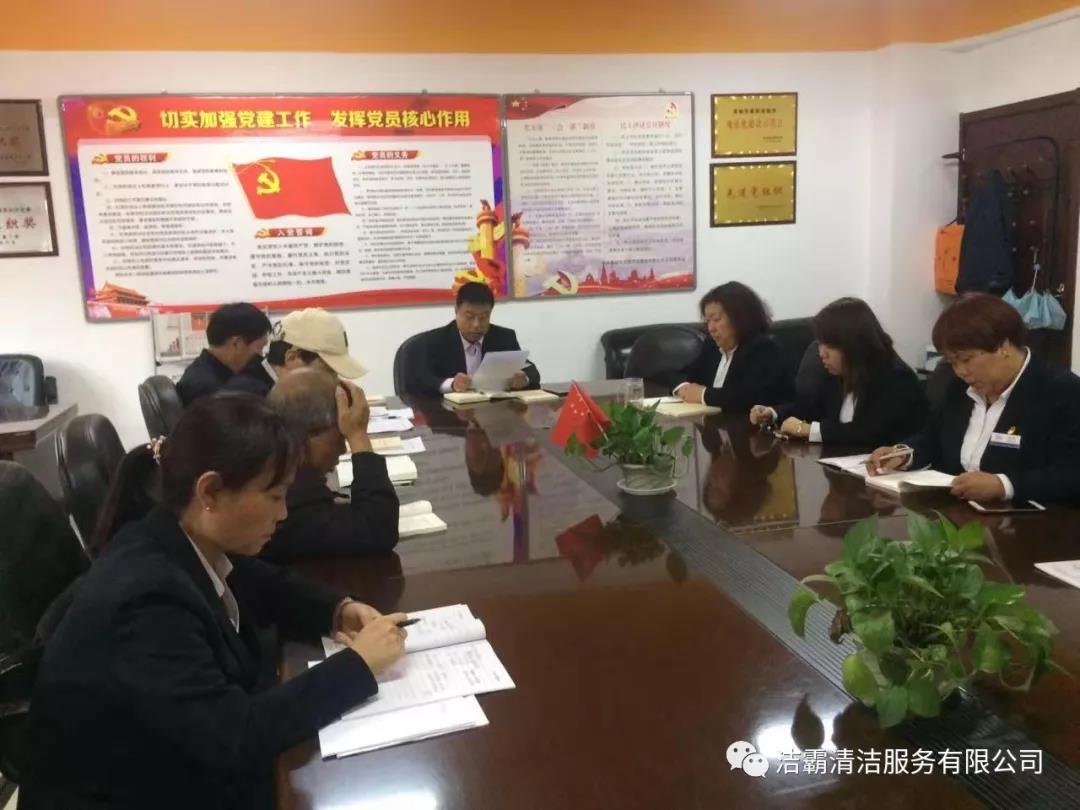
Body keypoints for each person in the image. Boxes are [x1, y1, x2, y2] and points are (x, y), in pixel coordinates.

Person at [20, 394, 407, 810]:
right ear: (209, 491)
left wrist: (337, 609)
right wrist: (357, 666)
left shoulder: (175, 536)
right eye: (274, 496)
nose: (283, 514)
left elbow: (266, 584)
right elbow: (238, 737)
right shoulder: (148, 603)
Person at [867, 293, 1080, 505]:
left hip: (1030, 520)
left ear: (1003, 346)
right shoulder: (959, 388)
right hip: (958, 512)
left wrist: (1004, 485)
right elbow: (933, 438)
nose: (960, 371)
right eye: (952, 362)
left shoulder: (1062, 392)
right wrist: (903, 454)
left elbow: (1071, 474)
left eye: (967, 359)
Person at [261, 369, 398, 562]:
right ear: (308, 433)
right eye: (340, 437)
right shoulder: (290, 499)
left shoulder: (278, 463)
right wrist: (358, 436)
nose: (343, 449)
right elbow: (378, 529)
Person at [749, 298, 928, 445]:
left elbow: (867, 432)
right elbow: (810, 409)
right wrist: (773, 413)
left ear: (854, 344)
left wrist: (807, 430)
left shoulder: (897, 379)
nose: (821, 354)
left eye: (830, 346)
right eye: (820, 344)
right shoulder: (838, 373)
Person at [659, 282, 791, 412]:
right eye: (707, 321)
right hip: (713, 423)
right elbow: (679, 374)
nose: (711, 328)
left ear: (739, 318)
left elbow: (749, 397)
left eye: (716, 320)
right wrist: (683, 388)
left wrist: (703, 395)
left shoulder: (763, 348)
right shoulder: (712, 346)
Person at [403, 281, 540, 396]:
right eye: (469, 317)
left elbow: (531, 371)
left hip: (493, 413)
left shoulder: (504, 337)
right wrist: (452, 384)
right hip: (448, 415)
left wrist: (524, 379)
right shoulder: (433, 341)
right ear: (456, 310)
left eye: (483, 317)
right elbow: (419, 381)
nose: (476, 325)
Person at [176, 303, 272, 406]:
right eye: (260, 347)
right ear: (236, 344)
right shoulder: (210, 390)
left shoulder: (206, 373)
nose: (261, 355)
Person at [263, 308, 367, 381]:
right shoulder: (258, 400)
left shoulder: (282, 395)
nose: (334, 382)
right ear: (292, 358)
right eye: (328, 372)